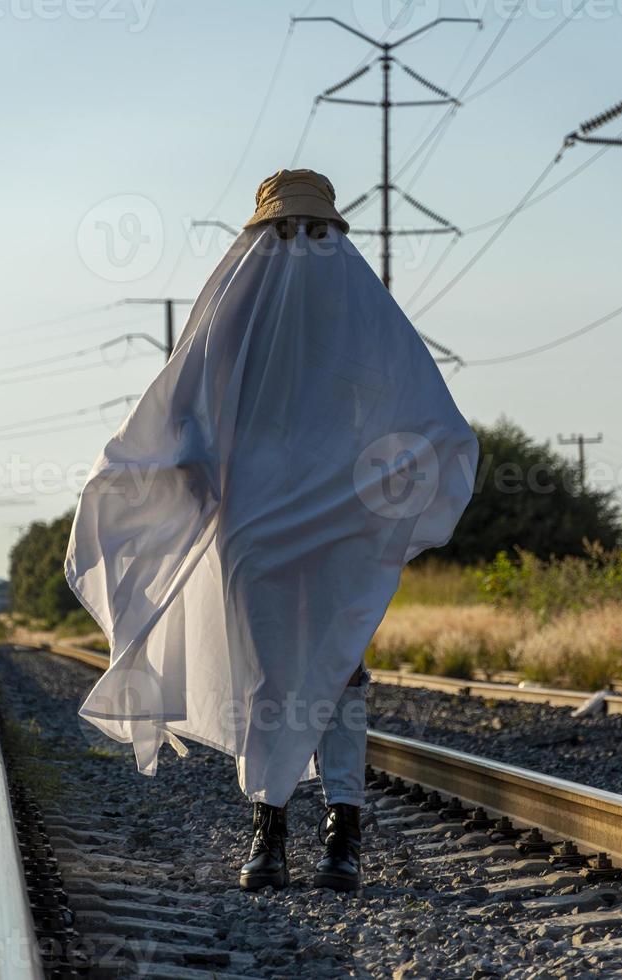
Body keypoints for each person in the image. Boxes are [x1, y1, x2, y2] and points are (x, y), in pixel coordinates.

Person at [66, 169, 478, 893]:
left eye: (310, 230)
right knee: (283, 673)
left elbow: (419, 415)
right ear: (265, 234)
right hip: (262, 520)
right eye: (290, 229)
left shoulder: (340, 309)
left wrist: (388, 486)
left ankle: (333, 826)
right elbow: (185, 409)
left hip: (325, 518)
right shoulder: (255, 309)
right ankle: (277, 824)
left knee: (337, 664)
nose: (301, 243)